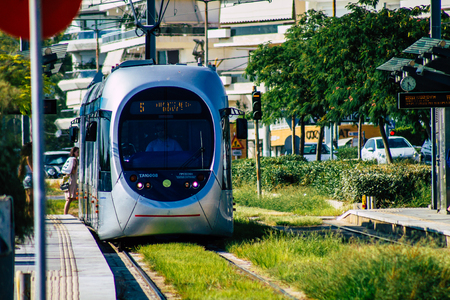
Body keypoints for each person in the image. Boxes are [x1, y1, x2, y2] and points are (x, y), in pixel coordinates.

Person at [18, 142, 33, 218]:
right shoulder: (30, 157)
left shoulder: (23, 158)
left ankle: (27, 215)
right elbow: (33, 169)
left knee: (28, 198)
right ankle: (30, 216)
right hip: (31, 178)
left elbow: (20, 171)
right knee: (32, 200)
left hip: (26, 178)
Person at [64, 147, 79, 215]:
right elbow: (73, 171)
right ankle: (65, 214)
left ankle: (65, 213)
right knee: (70, 198)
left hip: (68, 179)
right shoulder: (75, 160)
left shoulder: (69, 159)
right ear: (74, 152)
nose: (78, 154)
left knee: (70, 198)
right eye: (77, 152)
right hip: (72, 179)